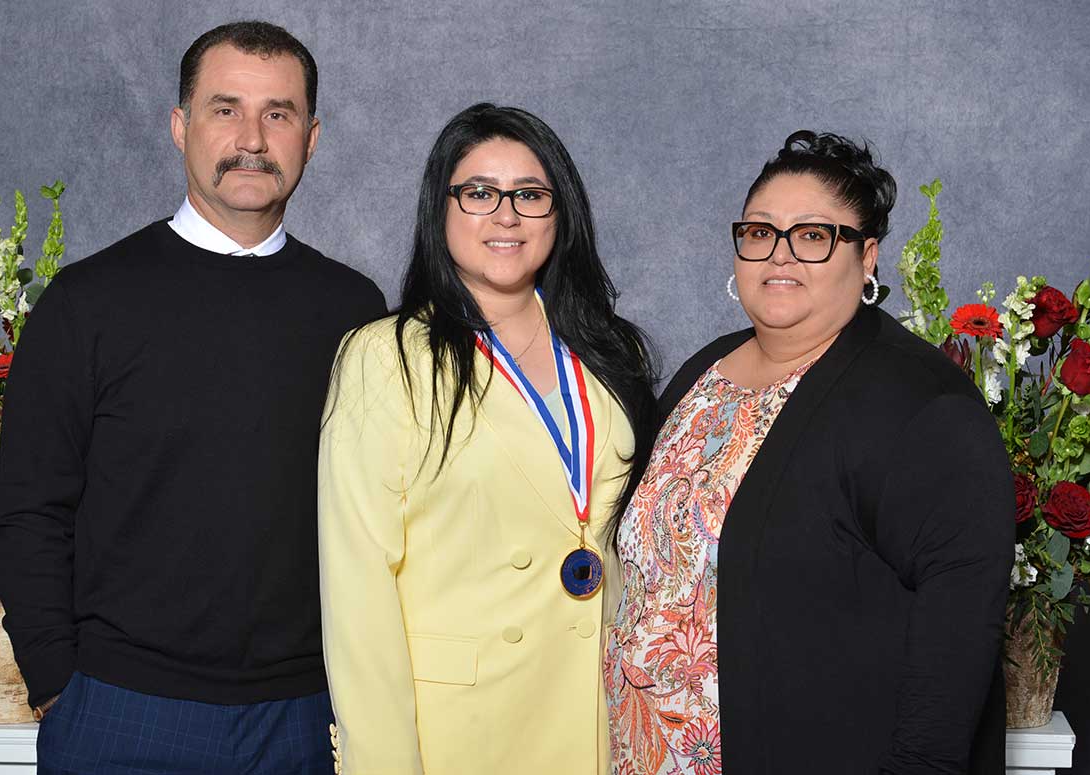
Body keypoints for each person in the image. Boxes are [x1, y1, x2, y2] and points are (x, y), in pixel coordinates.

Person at [0, 21, 385, 774]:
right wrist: (56, 686)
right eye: (224, 108)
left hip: (305, 714)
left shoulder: (354, 311)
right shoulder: (88, 302)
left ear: (312, 135)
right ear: (180, 126)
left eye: (279, 113)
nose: (252, 137)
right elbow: (30, 509)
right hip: (119, 706)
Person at [605, 131, 1014, 774]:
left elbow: (958, 636)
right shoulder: (706, 370)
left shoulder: (920, 407)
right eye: (761, 232)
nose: (780, 255)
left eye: (814, 235)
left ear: (868, 255)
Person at [318, 102, 656, 774]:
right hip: (461, 731)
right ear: (439, 210)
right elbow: (359, 595)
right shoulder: (384, 358)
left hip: (600, 714)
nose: (506, 214)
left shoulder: (606, 350)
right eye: (478, 193)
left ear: (560, 215)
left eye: (530, 194)